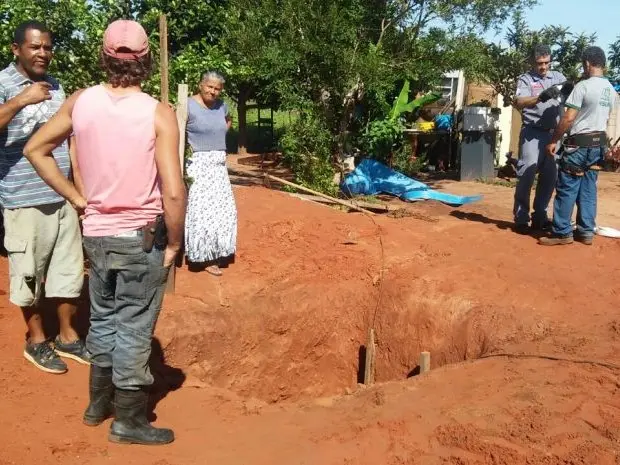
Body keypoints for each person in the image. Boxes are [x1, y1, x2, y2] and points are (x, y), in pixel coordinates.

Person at [23, 19, 186, 445]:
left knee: (106, 319)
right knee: (134, 327)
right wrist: (174, 241)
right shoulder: (158, 112)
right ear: (146, 60)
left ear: (105, 56)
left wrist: (78, 198)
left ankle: (98, 404)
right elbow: (172, 189)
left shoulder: (80, 102)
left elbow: (34, 149)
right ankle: (128, 420)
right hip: (139, 235)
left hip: (95, 235)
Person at [0, 20, 89, 374]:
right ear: (16, 49)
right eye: (36, 47)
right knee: (29, 274)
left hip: (61, 194)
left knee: (68, 271)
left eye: (48, 47)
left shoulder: (55, 85)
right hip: (23, 196)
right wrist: (23, 99)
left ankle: (68, 336)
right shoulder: (4, 83)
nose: (43, 53)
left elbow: (70, 140)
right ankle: (37, 340)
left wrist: (77, 188)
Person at [539, 46, 616, 246]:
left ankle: (562, 232)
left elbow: (568, 118)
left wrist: (554, 140)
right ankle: (586, 231)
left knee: (567, 187)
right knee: (589, 188)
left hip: (578, 145)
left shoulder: (583, 86)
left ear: (587, 63)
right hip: (598, 144)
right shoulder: (610, 89)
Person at [185, 72, 237, 276]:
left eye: (217, 89)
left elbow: (227, 121)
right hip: (198, 164)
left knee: (223, 211)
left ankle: (218, 250)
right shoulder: (188, 105)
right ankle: (203, 257)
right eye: (210, 87)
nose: (213, 91)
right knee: (202, 212)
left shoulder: (222, 106)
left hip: (218, 165)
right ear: (201, 85)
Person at [513, 44, 567, 234]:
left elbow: (569, 94)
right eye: (539, 63)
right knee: (526, 174)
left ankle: (540, 217)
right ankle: (521, 217)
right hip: (532, 133)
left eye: (546, 63)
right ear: (533, 62)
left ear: (550, 61)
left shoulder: (558, 77)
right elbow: (519, 101)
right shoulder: (526, 79)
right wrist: (541, 97)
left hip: (554, 134)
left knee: (550, 177)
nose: (543, 67)